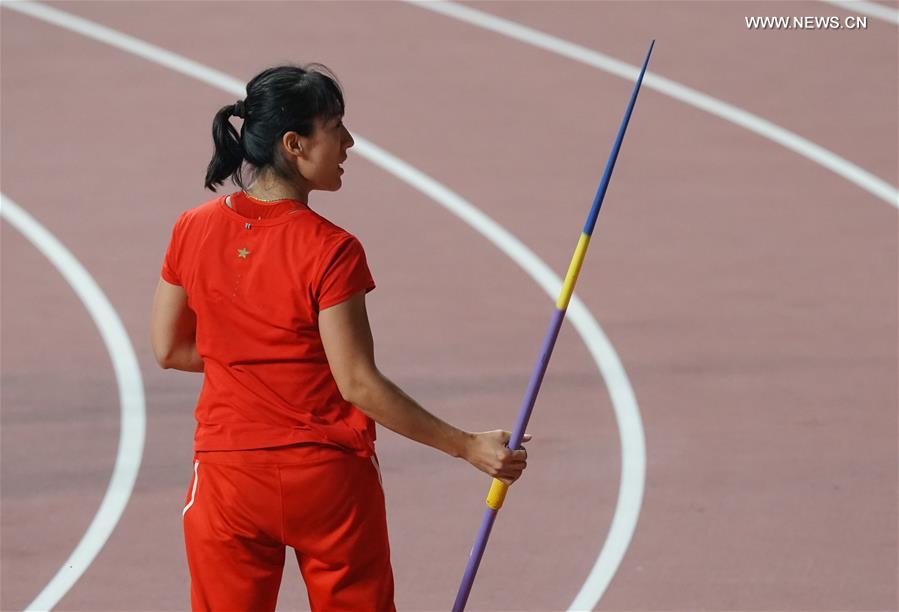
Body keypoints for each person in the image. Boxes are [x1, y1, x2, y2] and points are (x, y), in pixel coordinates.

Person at [149, 63, 529, 612]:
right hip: (325, 480)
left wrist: (253, 363)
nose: (350, 142)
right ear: (294, 143)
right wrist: (468, 446)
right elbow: (357, 383)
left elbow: (170, 348)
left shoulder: (191, 227)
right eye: (337, 128)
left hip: (227, 478)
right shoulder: (331, 250)